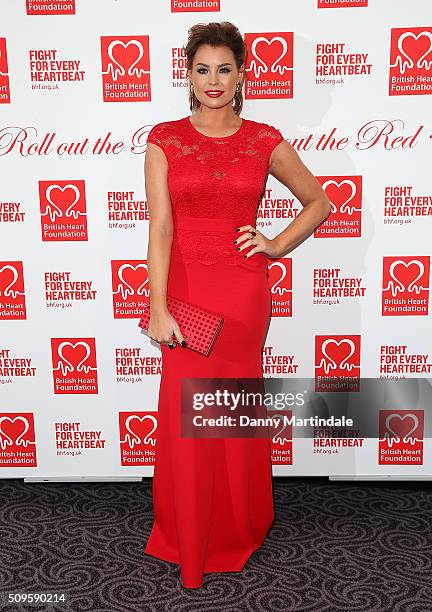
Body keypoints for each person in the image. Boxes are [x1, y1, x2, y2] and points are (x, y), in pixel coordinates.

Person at [143, 21, 331, 589]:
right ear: (188, 74)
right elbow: (160, 227)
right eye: (203, 69)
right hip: (187, 294)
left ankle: (233, 530)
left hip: (244, 294)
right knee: (187, 416)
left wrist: (274, 245)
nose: (214, 80)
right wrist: (157, 305)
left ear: (243, 73)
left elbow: (318, 202)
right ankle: (188, 536)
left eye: (225, 68)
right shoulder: (164, 138)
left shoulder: (262, 138)